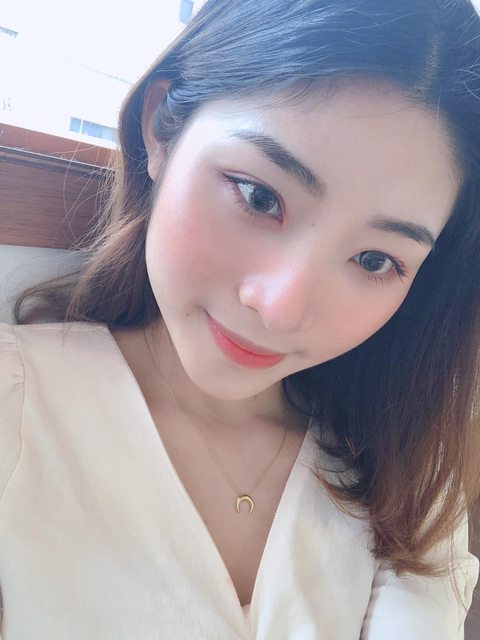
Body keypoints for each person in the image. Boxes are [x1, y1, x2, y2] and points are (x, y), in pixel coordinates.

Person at [1, 0, 480, 637]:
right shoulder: (17, 399)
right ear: (162, 130)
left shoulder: (407, 467)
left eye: (374, 260)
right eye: (259, 196)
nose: (280, 309)